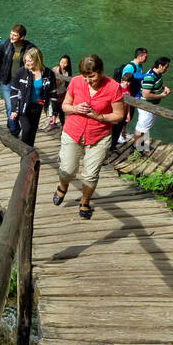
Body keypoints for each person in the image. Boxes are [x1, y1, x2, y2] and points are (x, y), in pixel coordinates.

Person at [53, 54, 126, 220]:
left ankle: (85, 201)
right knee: (67, 169)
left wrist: (100, 117)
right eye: (85, 76)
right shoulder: (76, 81)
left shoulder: (113, 87)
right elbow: (65, 106)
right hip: (73, 131)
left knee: (91, 174)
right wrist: (75, 108)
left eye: (91, 76)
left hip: (99, 135)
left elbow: (119, 115)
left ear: (100, 72)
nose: (88, 80)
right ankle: (63, 186)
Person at [0, 24, 36, 137]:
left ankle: (11, 123)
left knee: (20, 106)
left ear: (22, 37)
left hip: (22, 83)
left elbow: (36, 63)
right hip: (7, 80)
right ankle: (14, 131)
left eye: (15, 35)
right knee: (10, 106)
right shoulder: (6, 44)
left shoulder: (29, 48)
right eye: (11, 34)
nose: (11, 37)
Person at [9, 48, 57, 147]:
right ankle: (25, 154)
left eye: (30, 61)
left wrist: (53, 113)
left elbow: (53, 94)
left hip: (38, 105)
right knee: (26, 130)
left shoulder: (48, 74)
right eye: (26, 61)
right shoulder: (21, 72)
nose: (28, 63)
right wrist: (15, 109)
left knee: (33, 132)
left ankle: (29, 154)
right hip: (24, 106)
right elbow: (14, 91)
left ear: (38, 59)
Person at [131, 57, 170, 154]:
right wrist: (161, 95)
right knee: (142, 126)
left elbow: (156, 85)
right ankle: (137, 148)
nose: (167, 69)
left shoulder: (157, 74)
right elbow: (146, 94)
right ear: (160, 66)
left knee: (146, 126)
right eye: (166, 67)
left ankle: (141, 145)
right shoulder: (150, 77)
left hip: (152, 106)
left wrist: (164, 87)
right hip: (146, 106)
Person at [110, 70, 136, 150]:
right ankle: (109, 144)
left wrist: (128, 114)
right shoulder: (117, 88)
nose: (127, 83)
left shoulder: (128, 91)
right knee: (113, 129)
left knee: (119, 129)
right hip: (115, 112)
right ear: (122, 80)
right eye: (125, 81)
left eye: (129, 82)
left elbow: (128, 104)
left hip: (123, 113)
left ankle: (113, 145)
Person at [48, 54, 73, 129]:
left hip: (63, 93)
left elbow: (68, 82)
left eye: (65, 63)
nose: (63, 64)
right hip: (55, 93)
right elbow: (49, 79)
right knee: (53, 109)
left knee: (61, 110)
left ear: (68, 64)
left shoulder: (67, 72)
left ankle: (63, 125)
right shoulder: (55, 69)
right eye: (61, 62)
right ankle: (52, 123)